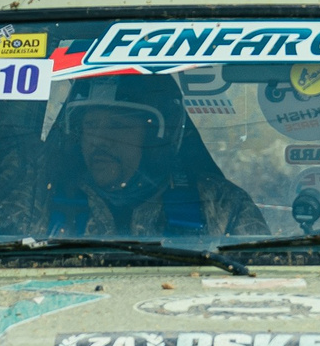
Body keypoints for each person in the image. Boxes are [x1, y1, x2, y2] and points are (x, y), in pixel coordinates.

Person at [44, 77, 266, 240]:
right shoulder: (45, 197)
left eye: (117, 126)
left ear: (157, 137)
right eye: (90, 125)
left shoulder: (221, 204)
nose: (99, 140)